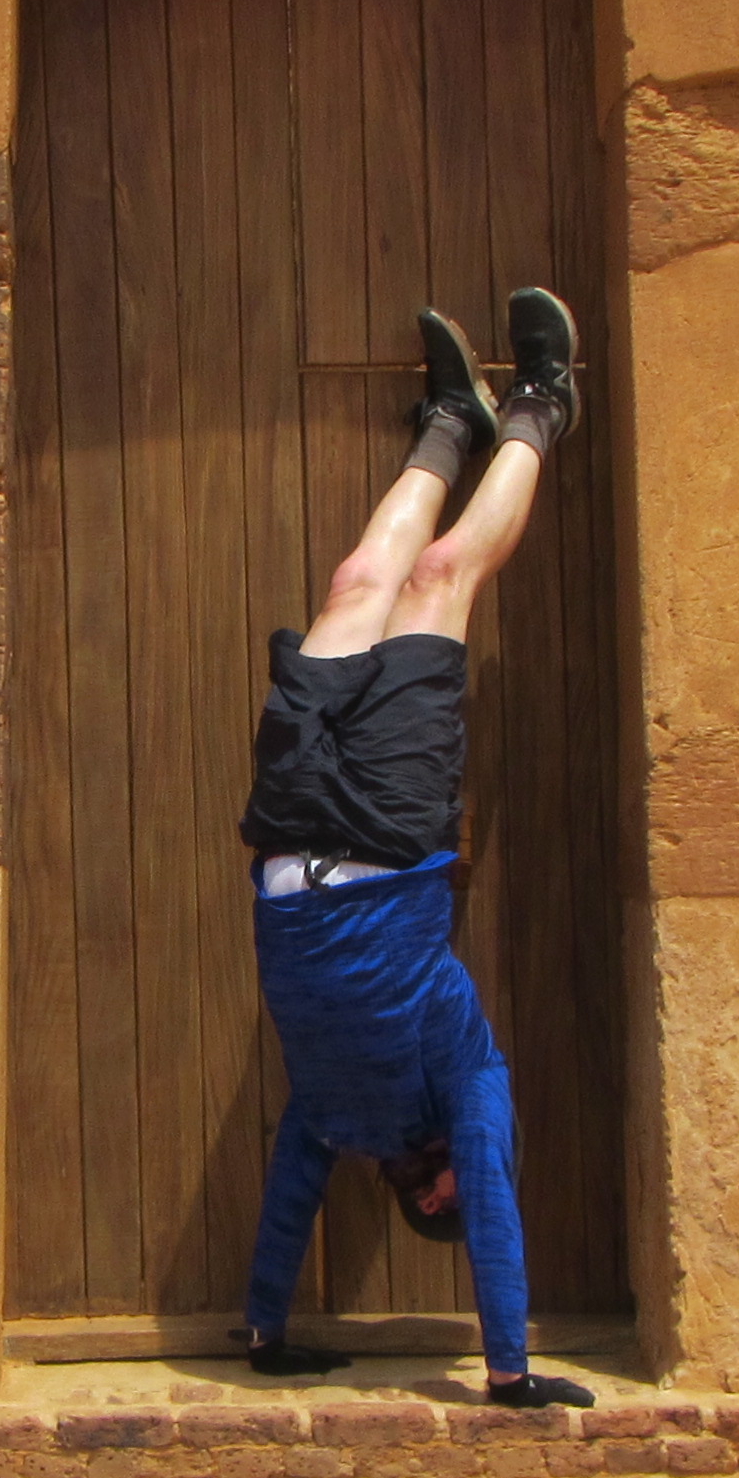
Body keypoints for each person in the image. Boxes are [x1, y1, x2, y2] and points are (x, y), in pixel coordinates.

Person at [233, 286, 598, 1412]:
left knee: (356, 583)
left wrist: (265, 1333)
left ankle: (447, 423)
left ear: (414, 1199)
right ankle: (539, 409)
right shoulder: (472, 1079)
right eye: (455, 1200)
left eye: (434, 1205)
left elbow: (288, 1200)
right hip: (394, 829)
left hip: (288, 835)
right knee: (440, 578)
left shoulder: (332, 1114)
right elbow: (492, 1195)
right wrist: (508, 1371)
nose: (449, 1196)